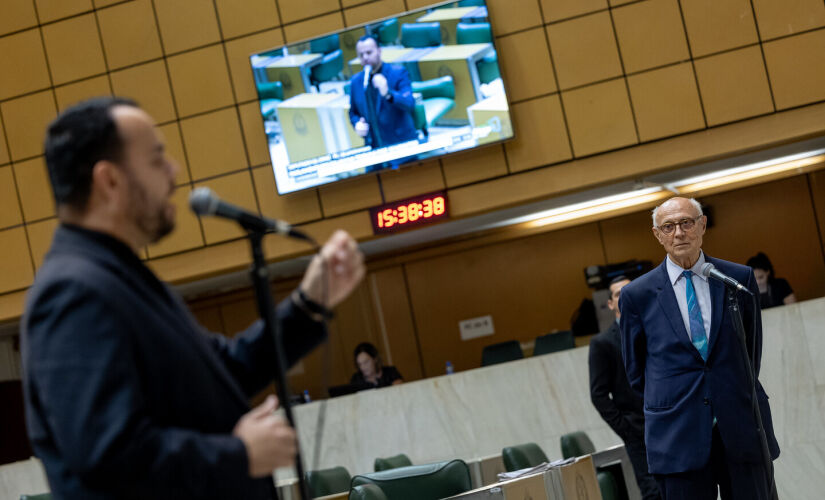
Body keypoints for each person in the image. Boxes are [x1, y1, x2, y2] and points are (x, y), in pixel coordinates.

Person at [21, 97, 365, 499]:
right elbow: (108, 455)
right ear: (109, 181)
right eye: (156, 160)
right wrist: (238, 454)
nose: (174, 173)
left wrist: (309, 302)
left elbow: (224, 369)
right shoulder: (71, 292)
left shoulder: (120, 277)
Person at [619, 197, 779, 500]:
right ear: (657, 235)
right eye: (668, 226)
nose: (678, 233)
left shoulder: (737, 278)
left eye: (686, 223)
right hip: (678, 435)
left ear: (702, 225)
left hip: (741, 426)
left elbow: (751, 354)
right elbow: (636, 371)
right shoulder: (636, 295)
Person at [589, 276, 661, 500]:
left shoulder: (657, 328)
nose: (625, 295)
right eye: (619, 294)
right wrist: (628, 430)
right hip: (638, 431)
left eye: (629, 290)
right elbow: (598, 394)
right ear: (610, 303)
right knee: (653, 492)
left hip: (670, 420)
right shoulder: (602, 343)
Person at [348, 35, 417, 149]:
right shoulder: (356, 82)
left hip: (401, 144)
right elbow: (353, 112)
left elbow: (410, 104)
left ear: (379, 51)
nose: (365, 57)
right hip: (373, 146)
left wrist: (388, 94)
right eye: (361, 55)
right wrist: (357, 124)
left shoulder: (398, 73)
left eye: (369, 52)